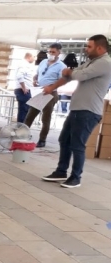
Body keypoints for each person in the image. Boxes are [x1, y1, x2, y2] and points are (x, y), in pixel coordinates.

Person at [40, 34, 111, 188]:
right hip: (78, 109)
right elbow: (69, 76)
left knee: (77, 145)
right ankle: (61, 171)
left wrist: (69, 72)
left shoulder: (104, 63)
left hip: (88, 111)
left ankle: (76, 177)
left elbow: (78, 75)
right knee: (64, 140)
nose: (86, 49)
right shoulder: (91, 62)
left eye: (89, 46)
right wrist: (52, 87)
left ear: (100, 48)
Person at [24, 43, 66, 148]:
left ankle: (42, 139)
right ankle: (23, 136)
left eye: (53, 52)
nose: (51, 54)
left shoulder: (61, 66)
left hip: (50, 92)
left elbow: (62, 80)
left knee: (45, 118)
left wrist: (51, 87)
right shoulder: (43, 62)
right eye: (49, 51)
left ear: (59, 53)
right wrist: (35, 79)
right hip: (39, 91)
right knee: (30, 116)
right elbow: (37, 74)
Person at [14, 53, 36, 124]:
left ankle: (21, 127)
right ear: (29, 57)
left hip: (24, 90)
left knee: (24, 111)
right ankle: (21, 127)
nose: (34, 59)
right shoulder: (24, 65)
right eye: (34, 57)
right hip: (23, 91)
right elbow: (19, 76)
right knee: (24, 111)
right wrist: (24, 87)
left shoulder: (24, 64)